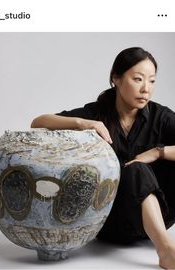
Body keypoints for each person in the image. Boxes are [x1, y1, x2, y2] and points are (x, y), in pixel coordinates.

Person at [31, 47, 175, 269]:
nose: (146, 89)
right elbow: (38, 122)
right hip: (112, 222)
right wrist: (83, 123)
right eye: (138, 79)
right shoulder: (97, 113)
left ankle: (161, 238)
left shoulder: (160, 117)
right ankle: (166, 250)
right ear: (116, 78)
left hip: (160, 216)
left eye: (152, 81)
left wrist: (158, 151)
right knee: (135, 169)